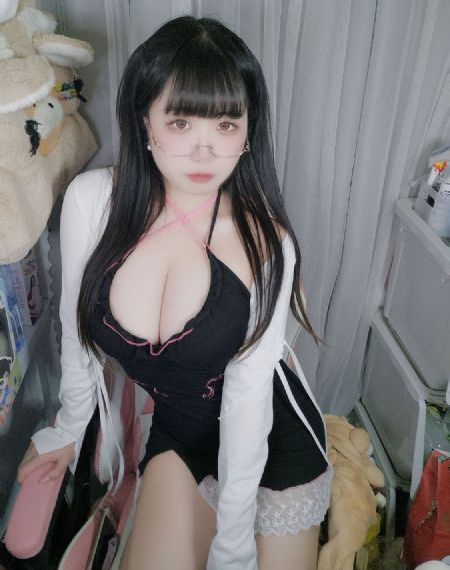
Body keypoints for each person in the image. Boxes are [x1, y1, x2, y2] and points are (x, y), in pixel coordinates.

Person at [17, 15, 333, 570]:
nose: (204, 151)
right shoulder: (93, 203)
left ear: (249, 133)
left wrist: (232, 548)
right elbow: (74, 325)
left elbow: (248, 401)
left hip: (272, 439)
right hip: (182, 431)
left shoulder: (265, 243)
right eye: (182, 122)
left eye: (226, 125)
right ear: (146, 122)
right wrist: (69, 426)